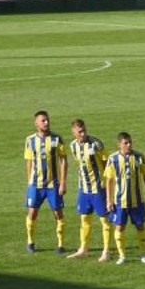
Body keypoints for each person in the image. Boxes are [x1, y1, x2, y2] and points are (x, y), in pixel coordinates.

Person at [102, 131, 145, 264]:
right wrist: (109, 199)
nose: (129, 145)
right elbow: (109, 180)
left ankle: (143, 253)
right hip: (120, 201)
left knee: (140, 226)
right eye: (126, 143)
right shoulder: (112, 159)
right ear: (119, 144)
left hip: (137, 200)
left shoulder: (139, 157)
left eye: (130, 142)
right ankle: (122, 255)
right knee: (120, 227)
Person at [24, 110, 67, 254]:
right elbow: (29, 161)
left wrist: (63, 182)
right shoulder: (30, 140)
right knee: (32, 213)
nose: (47, 123)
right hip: (35, 185)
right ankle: (30, 242)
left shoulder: (57, 139)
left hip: (53, 184)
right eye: (43, 121)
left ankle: (60, 245)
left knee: (58, 214)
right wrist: (30, 181)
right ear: (36, 123)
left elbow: (63, 160)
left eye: (47, 120)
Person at [67, 118, 111, 261]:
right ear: (73, 132)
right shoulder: (73, 146)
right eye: (80, 131)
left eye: (84, 130)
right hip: (84, 188)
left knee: (104, 220)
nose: (83, 133)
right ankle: (83, 249)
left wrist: (109, 184)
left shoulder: (96, 144)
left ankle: (106, 251)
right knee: (84, 218)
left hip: (98, 188)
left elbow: (107, 164)